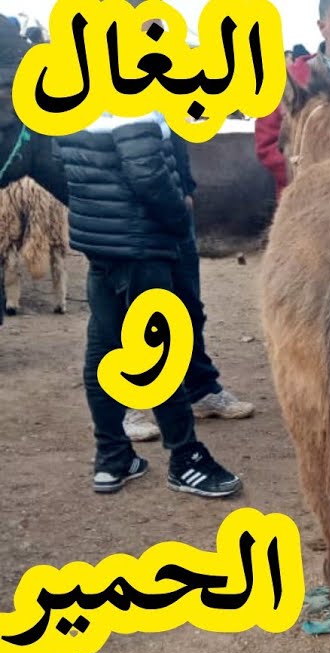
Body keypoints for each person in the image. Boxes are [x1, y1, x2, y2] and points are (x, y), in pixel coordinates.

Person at [57, 58, 242, 496]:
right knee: (161, 352)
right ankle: (186, 458)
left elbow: (60, 160)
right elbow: (144, 168)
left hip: (101, 240)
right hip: (140, 242)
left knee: (103, 349)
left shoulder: (74, 78)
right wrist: (178, 216)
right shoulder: (131, 84)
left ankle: (112, 457)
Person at [123, 130, 255, 442]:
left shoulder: (165, 100)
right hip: (134, 213)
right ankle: (125, 404)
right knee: (138, 311)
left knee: (188, 305)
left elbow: (175, 145)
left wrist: (186, 189)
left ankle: (201, 389)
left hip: (176, 208)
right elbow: (135, 160)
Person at [254, 0, 330, 200]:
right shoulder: (288, 79)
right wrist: (309, 178)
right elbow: (267, 143)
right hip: (304, 200)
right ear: (322, 27)